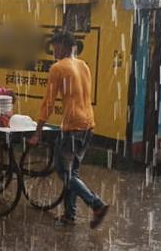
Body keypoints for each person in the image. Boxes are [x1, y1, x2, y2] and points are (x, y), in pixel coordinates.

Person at [28, 30, 109, 228]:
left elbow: (48, 102)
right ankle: (69, 216)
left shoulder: (58, 68)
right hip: (88, 125)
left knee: (64, 172)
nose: (53, 51)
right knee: (73, 173)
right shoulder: (83, 66)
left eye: (55, 46)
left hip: (72, 127)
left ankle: (96, 204)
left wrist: (37, 132)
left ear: (64, 45)